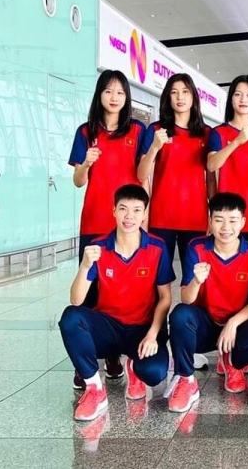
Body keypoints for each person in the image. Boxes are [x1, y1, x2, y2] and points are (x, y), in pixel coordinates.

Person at [58, 184, 174, 421]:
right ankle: (94, 389)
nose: (129, 216)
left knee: (153, 373)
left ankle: (133, 366)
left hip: (141, 331)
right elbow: (76, 299)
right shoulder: (98, 247)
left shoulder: (157, 247)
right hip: (108, 327)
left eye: (136, 210)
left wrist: (153, 334)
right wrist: (85, 266)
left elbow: (165, 298)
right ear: (114, 211)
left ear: (144, 214)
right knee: (71, 317)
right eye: (123, 209)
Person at [68, 70, 146, 387]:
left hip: (126, 227)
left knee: (120, 292)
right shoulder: (86, 132)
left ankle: (113, 353)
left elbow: (143, 175)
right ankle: (84, 360)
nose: (114, 98)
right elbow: (77, 181)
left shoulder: (137, 131)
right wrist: (86, 162)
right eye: (108, 91)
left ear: (126, 98)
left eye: (120, 93)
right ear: (99, 94)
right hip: (95, 221)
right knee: (90, 291)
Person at [167, 193, 248, 412]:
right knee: (179, 315)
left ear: (242, 222)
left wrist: (233, 323)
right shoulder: (197, 248)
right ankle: (186, 380)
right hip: (205, 324)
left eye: (233, 220)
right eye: (219, 220)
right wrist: (196, 281)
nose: (226, 227)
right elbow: (186, 298)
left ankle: (233, 362)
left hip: (238, 324)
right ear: (210, 221)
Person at [138, 73, 215, 277]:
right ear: (167, 98)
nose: (180, 97)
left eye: (185, 92)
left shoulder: (206, 133)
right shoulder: (156, 130)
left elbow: (210, 177)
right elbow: (141, 173)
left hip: (195, 217)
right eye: (174, 92)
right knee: (157, 278)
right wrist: (155, 147)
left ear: (193, 97)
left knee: (195, 277)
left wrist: (213, 212)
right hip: (162, 217)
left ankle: (190, 311)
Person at [207, 75, 248, 264]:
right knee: (228, 271)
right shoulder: (219, 132)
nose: (243, 99)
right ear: (231, 99)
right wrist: (237, 142)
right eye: (238, 94)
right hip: (228, 216)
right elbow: (212, 165)